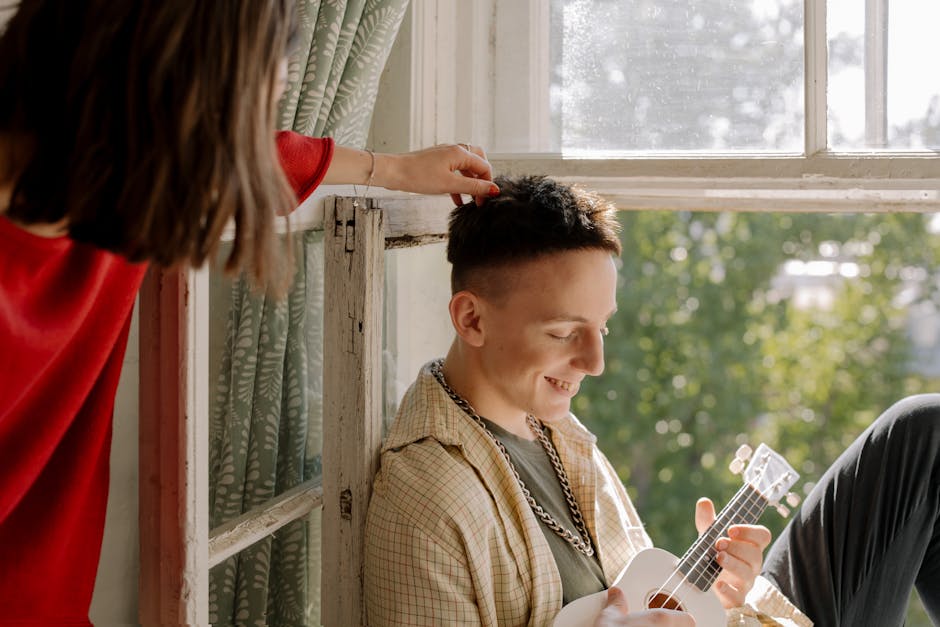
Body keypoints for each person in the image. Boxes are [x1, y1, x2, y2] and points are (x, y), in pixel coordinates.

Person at [0, 1, 496, 623]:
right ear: (166, 100)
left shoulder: (119, 177)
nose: (237, 163)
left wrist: (392, 170)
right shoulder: (134, 180)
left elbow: (269, 155)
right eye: (237, 122)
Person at [363, 175, 940, 626]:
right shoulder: (429, 504)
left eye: (602, 328)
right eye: (565, 333)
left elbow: (641, 596)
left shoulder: (546, 423)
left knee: (923, 434)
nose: (595, 363)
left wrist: (716, 598)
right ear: (472, 318)